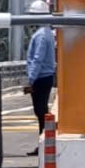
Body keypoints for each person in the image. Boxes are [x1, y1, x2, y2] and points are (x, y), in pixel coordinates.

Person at [23, 22, 57, 155]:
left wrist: (31, 79)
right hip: (46, 76)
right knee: (42, 111)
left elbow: (37, 58)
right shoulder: (48, 33)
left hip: (40, 77)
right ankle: (45, 142)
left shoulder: (41, 35)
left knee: (41, 112)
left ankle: (45, 143)